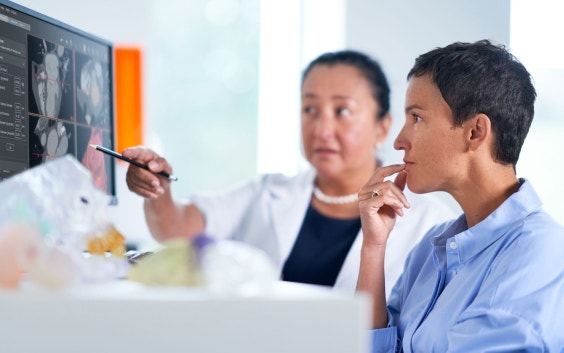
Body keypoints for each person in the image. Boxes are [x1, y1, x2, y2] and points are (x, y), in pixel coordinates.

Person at [124, 50, 454, 295]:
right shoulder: (268, 193)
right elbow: (176, 228)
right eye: (310, 109)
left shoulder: (431, 222)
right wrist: (158, 188)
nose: (323, 129)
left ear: (382, 127)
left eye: (342, 111)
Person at [356, 40, 564, 352]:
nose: (400, 141)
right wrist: (373, 247)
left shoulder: (540, 254)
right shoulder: (430, 250)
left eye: (416, 118)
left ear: (476, 132)